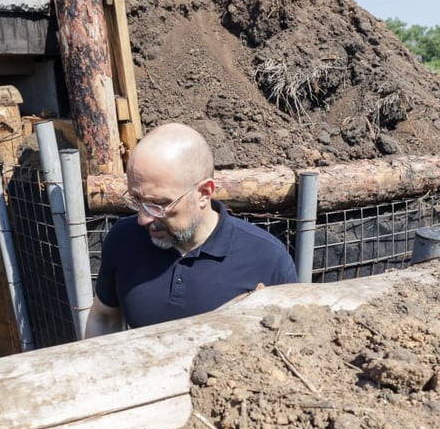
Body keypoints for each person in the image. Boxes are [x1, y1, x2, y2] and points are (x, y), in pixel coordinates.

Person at [86, 122, 297, 337]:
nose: (143, 218)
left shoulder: (267, 258)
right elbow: (104, 317)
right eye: (136, 199)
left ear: (204, 193)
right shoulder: (123, 240)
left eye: (159, 204)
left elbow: (292, 340)